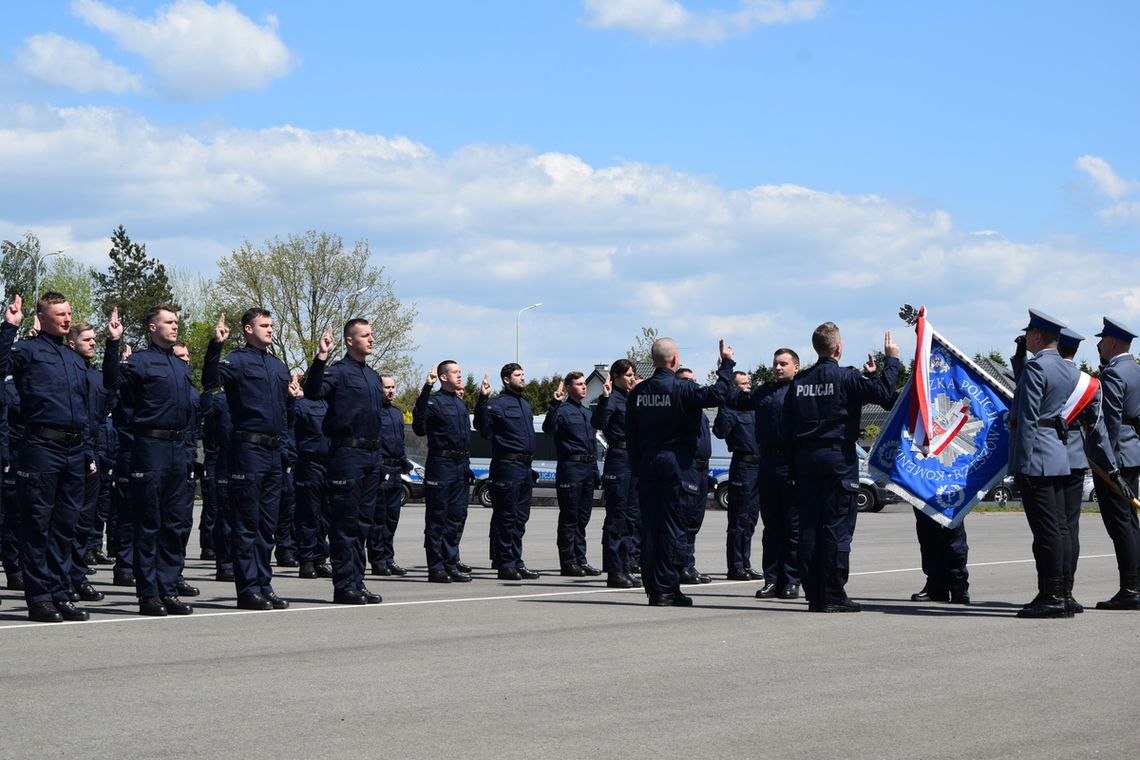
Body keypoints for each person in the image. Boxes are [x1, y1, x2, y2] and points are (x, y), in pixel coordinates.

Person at [0, 293, 103, 622]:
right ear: (42, 318)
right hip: (41, 448)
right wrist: (8, 328)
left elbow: (87, 410)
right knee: (38, 526)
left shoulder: (74, 359)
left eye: (69, 313)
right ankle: (40, 598)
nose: (66, 319)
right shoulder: (27, 351)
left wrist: (87, 452)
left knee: (65, 527)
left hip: (74, 451)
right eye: (60, 314)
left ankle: (61, 594)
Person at [785, 322, 899, 613]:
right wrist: (892, 360)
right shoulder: (847, 377)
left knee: (809, 527)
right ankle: (833, 594)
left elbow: (786, 423)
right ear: (838, 348)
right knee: (836, 527)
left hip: (805, 459)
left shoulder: (799, 382)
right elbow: (886, 395)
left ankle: (815, 595)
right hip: (837, 459)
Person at [104, 304, 198, 617]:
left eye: (176, 322)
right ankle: (148, 594)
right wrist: (114, 343)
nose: (175, 326)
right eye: (168, 322)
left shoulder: (181, 366)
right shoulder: (140, 362)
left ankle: (168, 588)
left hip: (178, 449)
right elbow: (112, 383)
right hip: (151, 446)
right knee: (149, 523)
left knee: (174, 524)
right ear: (152, 327)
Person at [627, 337, 735, 607]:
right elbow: (719, 393)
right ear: (674, 360)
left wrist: (639, 467)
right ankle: (666, 588)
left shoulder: (638, 393)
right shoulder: (682, 389)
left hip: (648, 463)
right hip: (677, 464)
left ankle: (655, 587)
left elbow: (631, 435)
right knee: (675, 528)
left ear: (653, 361)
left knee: (651, 528)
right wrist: (726, 364)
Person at [202, 309, 294, 611]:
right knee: (246, 524)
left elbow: (285, 412)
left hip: (273, 452)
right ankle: (247, 589)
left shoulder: (279, 367)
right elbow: (210, 380)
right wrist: (215, 347)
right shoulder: (237, 361)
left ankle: (264, 585)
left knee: (267, 526)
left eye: (271, 325)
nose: (270, 330)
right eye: (264, 326)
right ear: (248, 329)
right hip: (247, 451)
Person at [1008, 310, 1084, 619]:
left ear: (1038, 336)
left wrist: (1020, 463)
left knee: (1046, 531)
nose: (1026, 338)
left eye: (1028, 333)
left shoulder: (1038, 367)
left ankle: (1051, 596)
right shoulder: (1065, 368)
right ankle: (1062, 592)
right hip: (1057, 452)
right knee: (1061, 529)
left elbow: (1027, 418)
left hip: (1036, 454)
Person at [303, 321, 384, 604]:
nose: (371, 339)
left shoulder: (373, 376)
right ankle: (344, 585)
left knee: (363, 524)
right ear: (350, 341)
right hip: (347, 455)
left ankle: (357, 582)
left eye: (371, 334)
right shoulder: (337, 371)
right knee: (346, 523)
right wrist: (321, 356)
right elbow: (312, 391)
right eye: (365, 335)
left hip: (372, 457)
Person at [727, 349, 802, 599]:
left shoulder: (802, 390)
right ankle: (772, 579)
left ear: (796, 367)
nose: (778, 368)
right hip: (767, 463)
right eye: (775, 364)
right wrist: (726, 369)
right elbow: (736, 400)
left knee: (792, 527)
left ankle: (792, 579)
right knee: (771, 528)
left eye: (784, 363)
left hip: (792, 463)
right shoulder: (764, 391)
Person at [474, 364, 541, 581]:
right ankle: (506, 564)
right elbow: (482, 428)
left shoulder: (525, 404)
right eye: (518, 375)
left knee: (521, 518)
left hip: (525, 467)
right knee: (507, 517)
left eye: (523, 374)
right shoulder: (497, 404)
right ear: (505, 379)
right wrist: (482, 399)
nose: (523, 378)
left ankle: (516, 560)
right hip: (507, 467)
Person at [1092, 317, 1140, 610]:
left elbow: (1107, 424)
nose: (1098, 344)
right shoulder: (1135, 369)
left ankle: (1130, 588)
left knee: (1120, 523)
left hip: (1117, 457)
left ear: (1113, 342)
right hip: (1132, 450)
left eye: (1101, 339)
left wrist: (1108, 465)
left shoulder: (1113, 374)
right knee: (1131, 523)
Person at [413, 360, 473, 583]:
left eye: (460, 371)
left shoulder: (459, 404)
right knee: (438, 518)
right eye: (455, 372)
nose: (459, 375)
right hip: (441, 465)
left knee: (456, 519)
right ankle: (436, 567)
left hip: (460, 467)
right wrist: (426, 389)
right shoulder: (434, 402)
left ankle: (450, 563)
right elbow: (419, 427)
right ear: (443, 377)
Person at [64, 323, 109, 603]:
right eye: (87, 339)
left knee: (85, 521)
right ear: (72, 343)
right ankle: (62, 579)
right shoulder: (68, 373)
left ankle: (77, 576)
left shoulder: (95, 376)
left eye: (95, 339)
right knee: (65, 520)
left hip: (91, 451)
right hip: (71, 450)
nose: (93, 343)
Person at [543, 371, 601, 576]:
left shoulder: (587, 413)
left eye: (585, 383)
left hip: (587, 469)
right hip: (570, 469)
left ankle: (580, 559)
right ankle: (568, 562)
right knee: (570, 517)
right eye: (578, 384)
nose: (584, 387)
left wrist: (595, 472)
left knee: (583, 517)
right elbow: (548, 428)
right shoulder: (562, 410)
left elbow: (592, 446)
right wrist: (553, 404)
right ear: (568, 388)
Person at [592, 359, 641, 589]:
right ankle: (614, 570)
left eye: (633, 374)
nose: (632, 378)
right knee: (617, 518)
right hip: (619, 459)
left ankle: (626, 566)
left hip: (634, 459)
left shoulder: (632, 399)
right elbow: (598, 422)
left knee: (631, 518)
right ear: (616, 376)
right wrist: (603, 399)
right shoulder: (611, 399)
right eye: (629, 374)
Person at [715, 371, 762, 582]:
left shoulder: (753, 408)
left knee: (751, 519)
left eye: (748, 383)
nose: (748, 386)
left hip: (759, 466)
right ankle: (735, 566)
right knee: (739, 519)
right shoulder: (731, 408)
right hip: (743, 466)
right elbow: (719, 432)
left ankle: (746, 563)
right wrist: (726, 404)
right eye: (743, 384)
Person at [369, 373, 413, 577]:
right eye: (387, 387)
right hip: (381, 470)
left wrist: (405, 462)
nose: (391, 391)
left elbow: (400, 442)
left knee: (392, 519)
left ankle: (388, 557)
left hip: (396, 471)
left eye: (393, 387)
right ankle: (378, 560)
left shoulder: (396, 413)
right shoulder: (373, 412)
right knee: (378, 518)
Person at [292, 374, 333, 580]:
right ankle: (306, 561)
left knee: (326, 517)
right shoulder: (301, 405)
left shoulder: (329, 405)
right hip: (309, 464)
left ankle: (320, 557)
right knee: (309, 516)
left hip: (330, 465)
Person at [676, 367, 713, 585]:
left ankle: (688, 565)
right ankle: (682, 566)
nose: (693, 385)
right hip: (687, 467)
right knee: (684, 520)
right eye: (687, 381)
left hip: (702, 470)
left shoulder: (699, 411)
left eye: (694, 381)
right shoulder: (681, 409)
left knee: (694, 522)